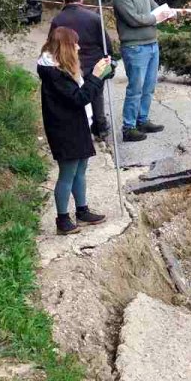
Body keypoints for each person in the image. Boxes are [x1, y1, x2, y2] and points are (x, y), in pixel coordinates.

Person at [37, 25, 110, 234]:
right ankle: (62, 220)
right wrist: (96, 76)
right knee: (67, 173)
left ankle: (82, 210)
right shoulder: (54, 74)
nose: (78, 47)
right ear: (65, 47)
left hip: (78, 124)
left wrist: (102, 74)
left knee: (80, 169)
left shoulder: (63, 67)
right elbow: (79, 98)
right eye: (75, 44)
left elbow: (84, 91)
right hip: (64, 129)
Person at [111, 0, 168, 142]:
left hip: (152, 44)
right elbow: (134, 19)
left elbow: (154, 7)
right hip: (135, 47)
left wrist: (167, 13)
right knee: (135, 88)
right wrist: (155, 18)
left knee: (149, 86)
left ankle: (142, 120)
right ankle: (129, 127)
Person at [50, 0, 113, 140]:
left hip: (69, 65)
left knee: (74, 97)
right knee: (96, 95)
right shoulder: (94, 18)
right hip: (94, 65)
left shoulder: (57, 20)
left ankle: (81, 128)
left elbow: (52, 46)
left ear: (63, 0)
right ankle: (100, 128)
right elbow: (106, 43)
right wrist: (109, 58)